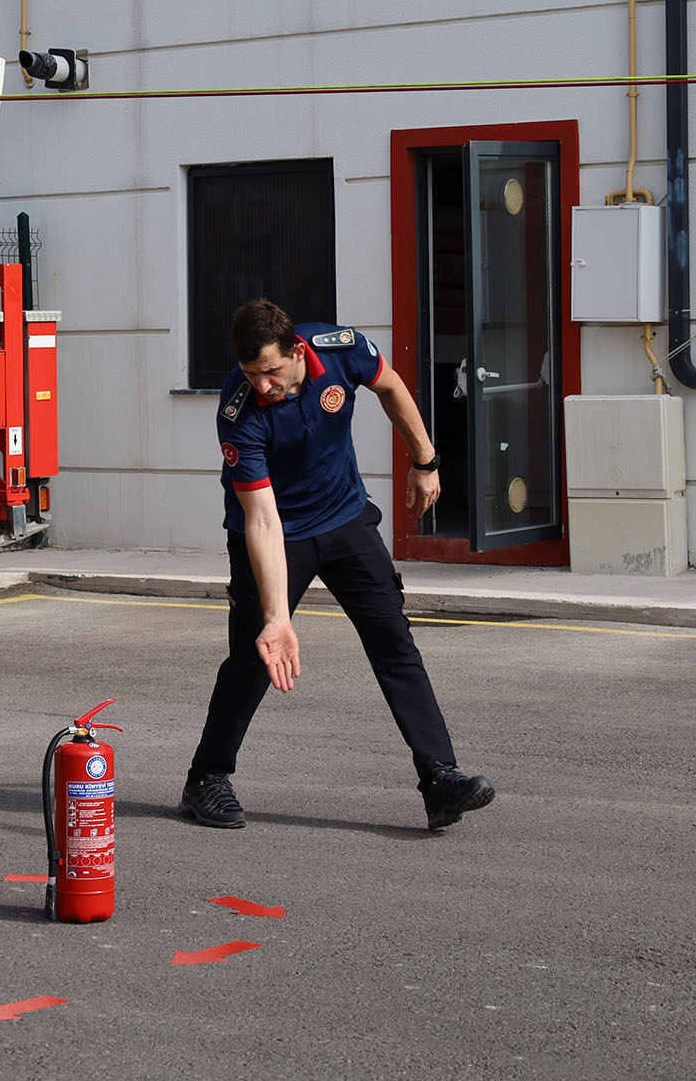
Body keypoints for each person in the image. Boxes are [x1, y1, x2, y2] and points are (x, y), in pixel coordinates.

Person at [181, 298, 494, 832]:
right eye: (252, 374)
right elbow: (262, 522)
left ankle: (440, 777)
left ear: (296, 350)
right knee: (254, 656)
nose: (263, 385)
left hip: (345, 519)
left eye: (272, 371)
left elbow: (391, 387)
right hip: (277, 535)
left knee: (394, 640)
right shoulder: (238, 413)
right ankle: (206, 780)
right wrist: (279, 618)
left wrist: (425, 460)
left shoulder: (340, 348)